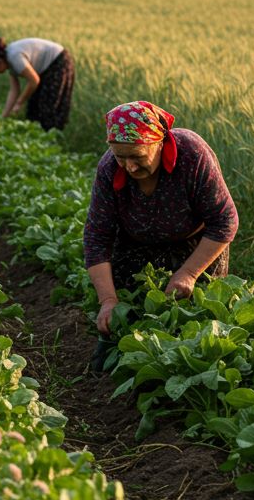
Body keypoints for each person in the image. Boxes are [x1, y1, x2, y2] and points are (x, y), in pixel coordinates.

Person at [82, 101, 238, 370]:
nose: (129, 167)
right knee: (126, 320)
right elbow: (97, 236)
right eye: (121, 156)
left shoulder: (192, 155)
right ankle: (119, 361)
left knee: (196, 320)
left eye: (137, 157)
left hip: (196, 244)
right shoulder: (109, 168)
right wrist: (108, 301)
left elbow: (224, 221)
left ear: (159, 143)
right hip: (135, 243)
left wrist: (189, 273)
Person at [0, 37, 76, 131]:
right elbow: (14, 91)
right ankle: (36, 137)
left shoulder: (14, 57)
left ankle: (51, 139)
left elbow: (34, 81)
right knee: (33, 108)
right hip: (45, 68)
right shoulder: (8, 61)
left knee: (48, 107)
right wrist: (4, 116)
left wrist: (19, 103)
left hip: (58, 62)